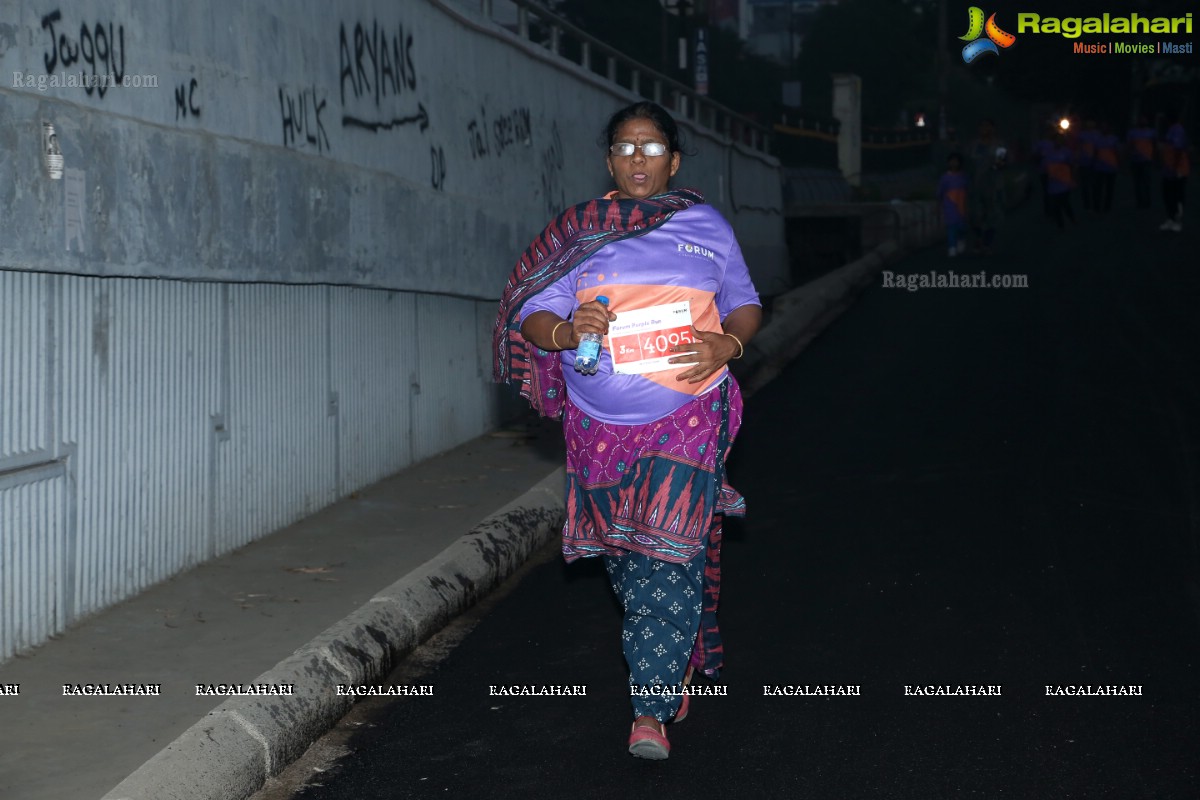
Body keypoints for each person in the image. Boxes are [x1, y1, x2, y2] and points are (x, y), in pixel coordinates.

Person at [492, 101, 762, 760]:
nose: (638, 159)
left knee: (665, 555)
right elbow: (532, 309)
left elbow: (746, 303)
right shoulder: (582, 230)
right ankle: (672, 659)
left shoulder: (706, 226)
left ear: (673, 161)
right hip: (599, 430)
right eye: (625, 147)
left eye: (651, 148)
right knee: (629, 561)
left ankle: (649, 709)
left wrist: (728, 345)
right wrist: (563, 331)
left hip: (691, 415)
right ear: (610, 160)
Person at [967, 118, 1006, 254]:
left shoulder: (999, 145)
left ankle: (987, 242)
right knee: (975, 215)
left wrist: (997, 165)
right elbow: (967, 164)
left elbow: (1001, 163)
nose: (985, 129)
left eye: (988, 127)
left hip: (993, 184)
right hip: (976, 185)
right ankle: (978, 239)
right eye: (982, 126)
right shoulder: (973, 145)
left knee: (992, 215)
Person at [1158, 111, 1189, 232]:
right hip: (1168, 169)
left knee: (1177, 195)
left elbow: (1178, 150)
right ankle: (1170, 218)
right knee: (1167, 195)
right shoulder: (1171, 130)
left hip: (1177, 170)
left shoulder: (1178, 130)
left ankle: (1178, 221)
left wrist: (1175, 168)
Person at [937, 152, 969, 256]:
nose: (954, 163)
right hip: (949, 204)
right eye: (952, 161)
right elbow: (940, 191)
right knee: (951, 227)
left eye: (956, 161)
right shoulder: (945, 177)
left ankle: (960, 240)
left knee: (961, 226)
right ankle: (952, 247)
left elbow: (968, 189)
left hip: (962, 203)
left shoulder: (964, 176)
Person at [1126, 115, 1155, 210]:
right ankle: (1140, 202)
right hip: (1136, 161)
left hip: (1147, 161)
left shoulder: (1151, 132)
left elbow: (1155, 146)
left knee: (1146, 183)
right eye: (1141, 120)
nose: (1143, 122)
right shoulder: (1132, 132)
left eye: (1144, 120)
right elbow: (1129, 146)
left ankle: (1147, 202)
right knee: (1137, 183)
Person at [1091, 121, 1120, 214]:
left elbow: (1117, 153)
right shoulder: (1097, 139)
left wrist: (1119, 164)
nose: (1104, 129)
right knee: (1098, 189)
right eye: (1103, 127)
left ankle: (1107, 207)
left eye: (1106, 127)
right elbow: (1095, 153)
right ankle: (1097, 207)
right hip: (1099, 167)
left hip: (1111, 168)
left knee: (1109, 189)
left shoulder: (1114, 139)